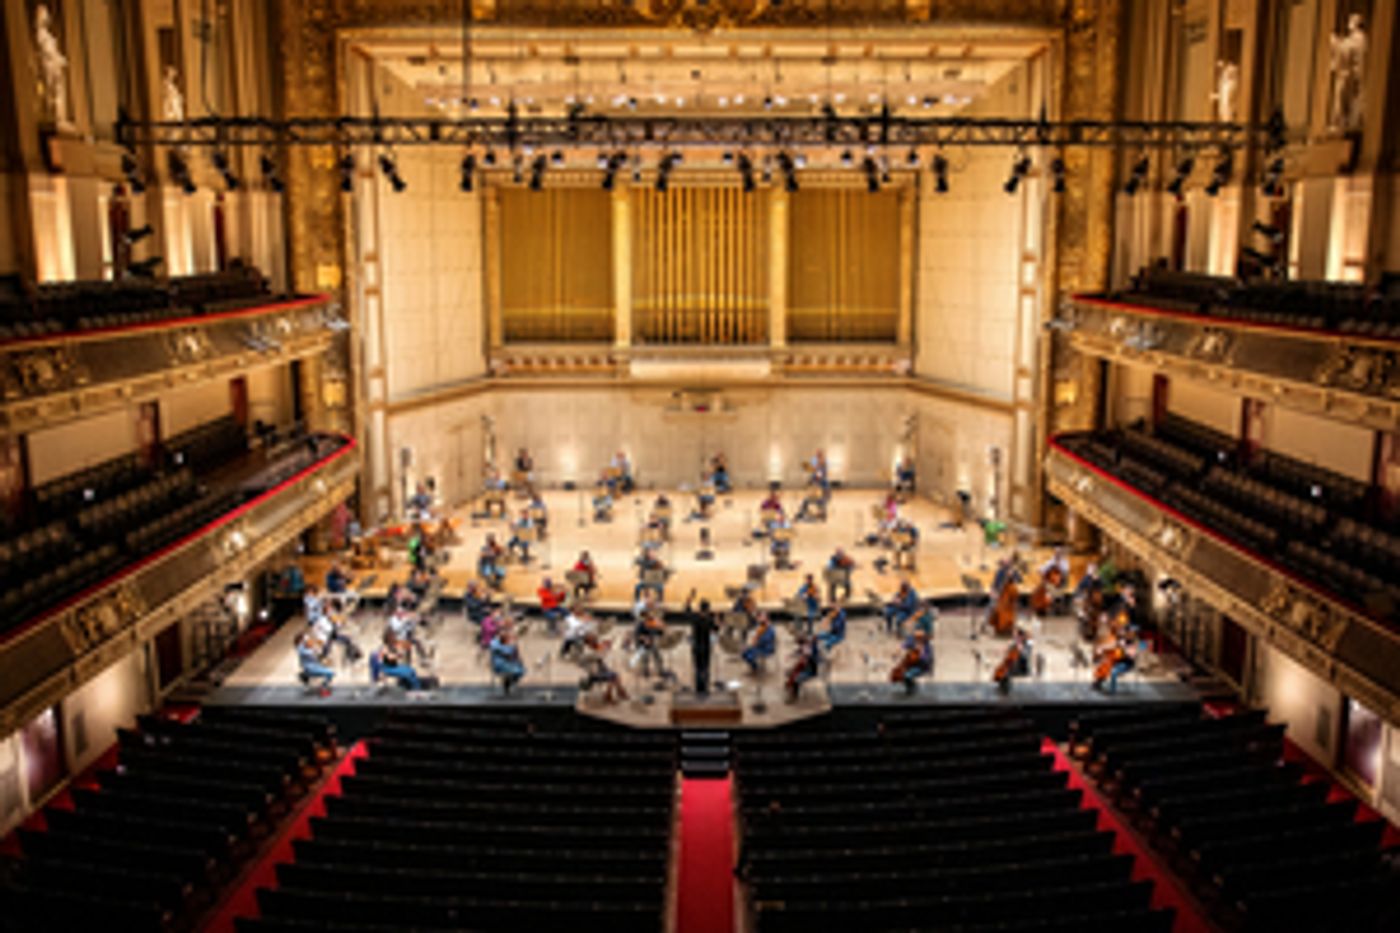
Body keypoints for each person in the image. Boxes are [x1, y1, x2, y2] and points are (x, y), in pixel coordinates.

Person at [684, 592, 715, 695]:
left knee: (698, 668)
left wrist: (689, 600)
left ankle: (698, 688)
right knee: (705, 667)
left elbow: (687, 611)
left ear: (700, 608)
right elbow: (716, 629)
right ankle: (705, 688)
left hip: (696, 646)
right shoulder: (710, 619)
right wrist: (718, 622)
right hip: (706, 647)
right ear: (708, 609)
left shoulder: (695, 618)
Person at [893, 629, 933, 695]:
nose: (917, 640)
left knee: (907, 675)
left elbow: (927, 659)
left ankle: (912, 688)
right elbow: (903, 646)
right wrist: (896, 652)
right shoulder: (913, 643)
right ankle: (911, 685)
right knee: (900, 675)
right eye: (916, 638)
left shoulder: (927, 647)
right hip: (912, 665)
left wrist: (920, 654)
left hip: (922, 667)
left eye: (919, 639)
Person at [784, 634, 822, 703]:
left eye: (801, 644)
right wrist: (790, 656)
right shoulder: (805, 648)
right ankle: (790, 687)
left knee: (796, 679)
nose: (801, 647)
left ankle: (794, 696)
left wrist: (807, 659)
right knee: (789, 673)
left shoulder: (812, 651)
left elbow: (814, 660)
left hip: (810, 672)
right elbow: (798, 651)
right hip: (804, 669)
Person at [489, 626, 526, 693]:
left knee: (521, 670)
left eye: (505, 632)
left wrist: (518, 657)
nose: (504, 633)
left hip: (509, 663)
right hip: (499, 663)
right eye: (502, 632)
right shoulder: (494, 642)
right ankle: (507, 684)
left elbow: (513, 653)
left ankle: (510, 682)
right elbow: (501, 651)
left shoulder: (508, 641)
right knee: (512, 670)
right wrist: (507, 653)